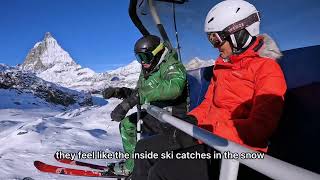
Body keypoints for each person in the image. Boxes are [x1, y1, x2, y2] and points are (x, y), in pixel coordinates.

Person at [132, 0, 287, 180]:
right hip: (209, 137)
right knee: (144, 150)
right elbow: (208, 105)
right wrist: (191, 120)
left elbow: (260, 128)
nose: (215, 45)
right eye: (211, 39)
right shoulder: (222, 67)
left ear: (240, 33)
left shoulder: (267, 70)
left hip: (239, 151)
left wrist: (204, 133)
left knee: (161, 171)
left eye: (217, 38)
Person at [102, 35, 194, 176]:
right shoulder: (149, 68)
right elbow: (143, 92)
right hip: (157, 113)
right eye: (139, 58)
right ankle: (132, 164)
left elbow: (174, 87)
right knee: (127, 125)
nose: (142, 62)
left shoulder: (172, 65)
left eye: (145, 57)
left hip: (173, 117)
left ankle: (136, 165)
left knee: (139, 140)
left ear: (157, 53)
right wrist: (121, 92)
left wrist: (136, 98)